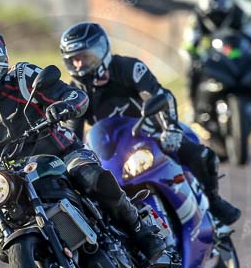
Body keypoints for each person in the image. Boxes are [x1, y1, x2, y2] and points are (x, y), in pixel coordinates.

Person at [0, 30, 165, 262]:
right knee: (4, 246)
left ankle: (141, 231)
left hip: (63, 154)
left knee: (94, 178)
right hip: (16, 174)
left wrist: (65, 106)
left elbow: (75, 96)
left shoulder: (24, 77)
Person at [59, 22, 241, 226]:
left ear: (100, 50)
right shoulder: (75, 92)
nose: (78, 65)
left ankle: (214, 201)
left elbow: (162, 96)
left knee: (201, 155)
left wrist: (170, 128)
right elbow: (71, 135)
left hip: (153, 131)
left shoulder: (129, 68)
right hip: (114, 150)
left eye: (84, 57)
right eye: (73, 60)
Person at [181, 0, 251, 108]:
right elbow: (189, 43)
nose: (216, 18)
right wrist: (194, 58)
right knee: (192, 71)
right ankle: (193, 105)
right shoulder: (196, 18)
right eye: (212, 15)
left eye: (220, 15)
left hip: (234, 51)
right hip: (209, 53)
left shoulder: (239, 15)